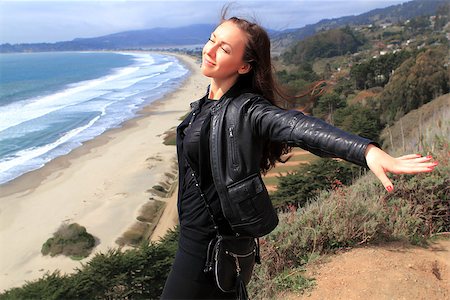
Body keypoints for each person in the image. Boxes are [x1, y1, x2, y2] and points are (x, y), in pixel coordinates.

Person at [160, 12, 438, 300]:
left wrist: (365, 151)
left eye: (225, 49)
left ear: (244, 66)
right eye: (212, 40)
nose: (210, 51)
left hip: (207, 248)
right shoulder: (206, 104)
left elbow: (298, 127)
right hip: (200, 242)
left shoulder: (248, 110)